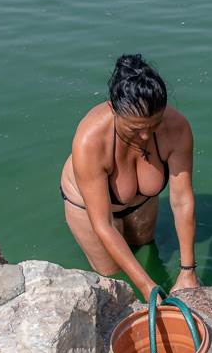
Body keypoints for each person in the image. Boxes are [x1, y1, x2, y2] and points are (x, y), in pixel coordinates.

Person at [60, 54, 200, 296]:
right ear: (114, 109)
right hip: (89, 210)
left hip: (142, 200)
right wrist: (147, 287)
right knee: (114, 276)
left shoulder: (177, 128)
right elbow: (102, 224)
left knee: (146, 246)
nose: (145, 136)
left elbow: (182, 201)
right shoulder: (90, 141)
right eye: (136, 129)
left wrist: (188, 270)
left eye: (153, 125)